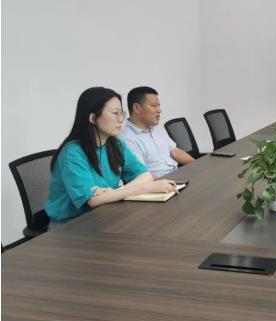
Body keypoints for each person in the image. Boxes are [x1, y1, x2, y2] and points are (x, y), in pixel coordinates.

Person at [45, 87, 178, 224]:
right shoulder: (72, 153)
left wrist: (113, 193)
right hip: (71, 226)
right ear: (93, 118)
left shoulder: (115, 144)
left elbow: (145, 175)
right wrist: (145, 188)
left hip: (103, 216)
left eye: (122, 113)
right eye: (115, 113)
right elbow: (93, 200)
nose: (121, 120)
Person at [119, 86, 194, 178]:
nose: (159, 110)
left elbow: (174, 151)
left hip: (176, 176)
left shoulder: (156, 128)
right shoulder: (126, 138)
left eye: (159, 106)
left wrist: (198, 165)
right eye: (154, 106)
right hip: (159, 182)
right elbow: (142, 174)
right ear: (137, 108)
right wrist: (167, 184)